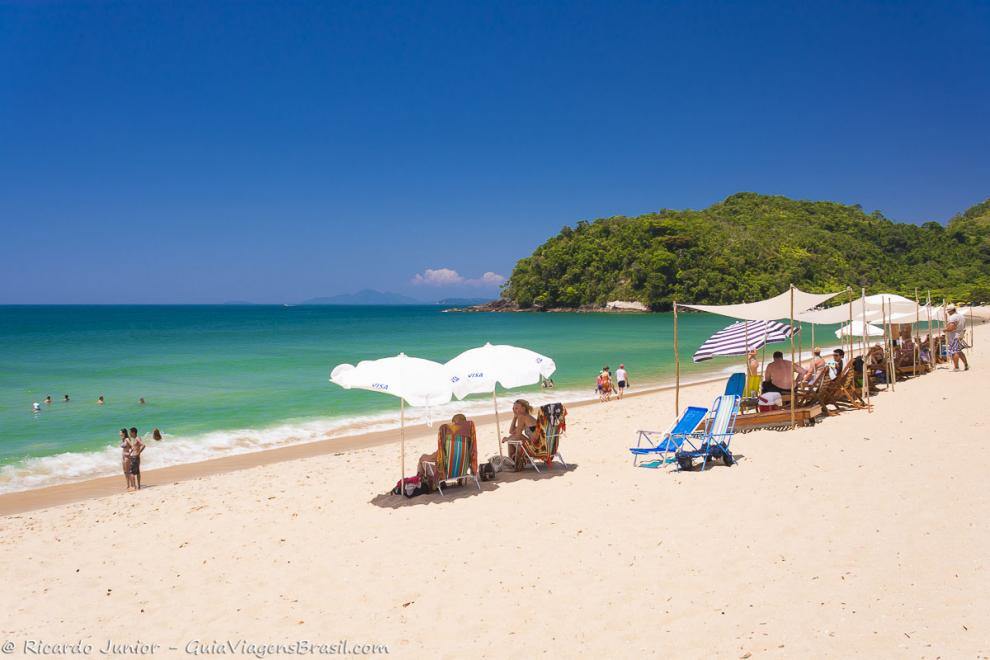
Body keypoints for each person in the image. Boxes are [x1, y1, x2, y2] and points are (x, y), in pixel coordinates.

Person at [417, 413, 478, 490]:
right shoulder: (469, 440)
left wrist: (423, 457)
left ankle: (422, 485)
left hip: (446, 473)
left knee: (423, 459)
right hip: (462, 470)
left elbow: (437, 457)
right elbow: (470, 455)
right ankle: (459, 480)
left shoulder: (447, 437)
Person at [501, 399, 537, 466]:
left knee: (512, 440)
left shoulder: (522, 417)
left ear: (523, 408)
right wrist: (514, 417)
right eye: (513, 408)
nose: (514, 410)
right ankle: (514, 462)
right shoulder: (526, 417)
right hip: (538, 445)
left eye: (516, 408)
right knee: (512, 437)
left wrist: (507, 439)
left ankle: (513, 463)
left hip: (536, 448)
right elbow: (511, 431)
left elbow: (517, 436)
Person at [945, 304, 970, 371]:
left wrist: (945, 330)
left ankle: (956, 367)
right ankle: (966, 365)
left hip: (954, 336)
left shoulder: (952, 317)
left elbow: (951, 328)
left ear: (951, 311)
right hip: (960, 335)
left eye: (948, 311)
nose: (948, 312)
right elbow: (963, 328)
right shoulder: (961, 316)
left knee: (954, 352)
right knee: (959, 351)